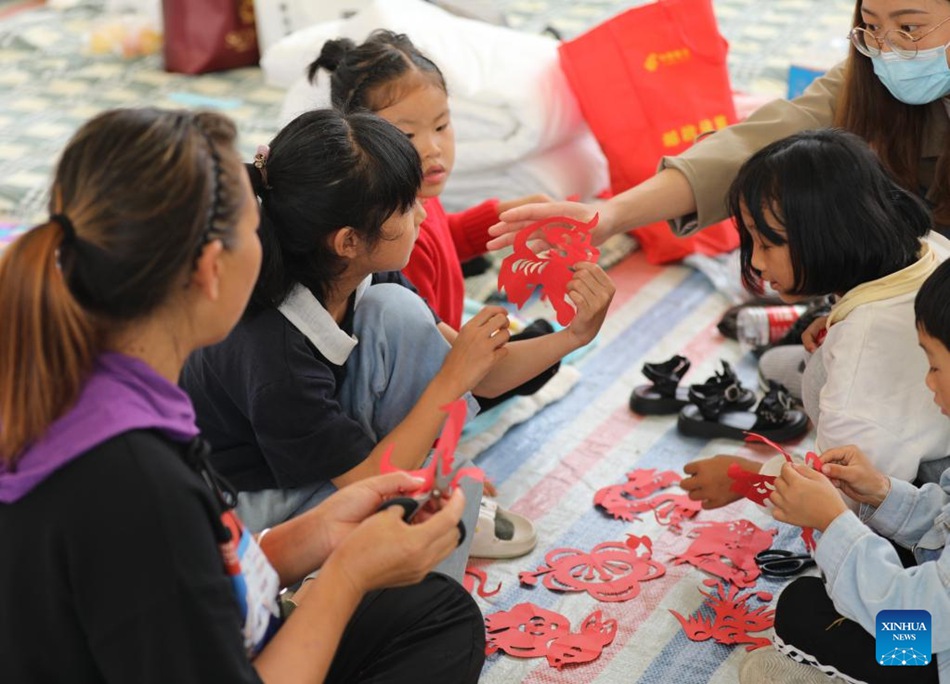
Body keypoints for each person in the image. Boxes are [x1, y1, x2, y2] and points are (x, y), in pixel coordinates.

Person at [0, 107, 485, 683]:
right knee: (434, 624)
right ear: (210, 270)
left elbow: (187, 580)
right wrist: (348, 573)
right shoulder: (136, 485)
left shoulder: (92, 379)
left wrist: (313, 536)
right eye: (255, 227)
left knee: (438, 611)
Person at [180, 108, 615, 560]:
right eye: (408, 207)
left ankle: (417, 490)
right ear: (348, 241)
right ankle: (412, 501)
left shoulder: (360, 274)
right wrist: (450, 381)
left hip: (327, 459)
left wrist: (573, 336)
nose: (425, 216)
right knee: (389, 535)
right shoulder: (274, 354)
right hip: (252, 501)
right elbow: (367, 478)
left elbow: (482, 375)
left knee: (400, 312)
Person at [486, 0, 950, 249]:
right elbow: (757, 143)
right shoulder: (865, 77)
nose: (887, 48)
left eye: (910, 30)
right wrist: (612, 215)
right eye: (871, 26)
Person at [678, 129, 950, 509]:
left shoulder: (864, 354)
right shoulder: (928, 247)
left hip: (929, 486)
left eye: (768, 244)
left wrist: (749, 479)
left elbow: (841, 499)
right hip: (902, 406)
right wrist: (836, 313)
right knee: (780, 365)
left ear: (828, 238)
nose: (755, 260)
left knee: (812, 377)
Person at [309, 30, 566, 412]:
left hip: (442, 336)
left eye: (442, 126)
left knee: (528, 343)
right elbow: (421, 340)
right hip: (427, 369)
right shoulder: (388, 240)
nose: (432, 147)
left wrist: (507, 217)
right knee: (540, 354)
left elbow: (450, 235)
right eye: (407, 134)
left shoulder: (419, 197)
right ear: (358, 138)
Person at [739, 259, 950, 684]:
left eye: (934, 365)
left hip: (935, 646)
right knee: (872, 567)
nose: (927, 383)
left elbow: (915, 614)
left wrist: (832, 522)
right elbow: (943, 517)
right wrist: (881, 493)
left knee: (802, 608)